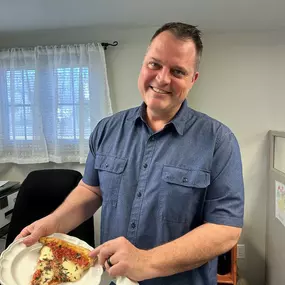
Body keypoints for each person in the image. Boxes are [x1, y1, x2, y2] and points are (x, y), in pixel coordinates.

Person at [17, 22, 244, 285]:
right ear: (143, 64)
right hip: (113, 279)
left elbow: (225, 230)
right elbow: (91, 190)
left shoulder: (219, 141)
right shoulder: (106, 130)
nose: (162, 78)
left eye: (178, 71)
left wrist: (146, 262)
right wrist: (53, 224)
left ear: (192, 80)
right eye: (154, 64)